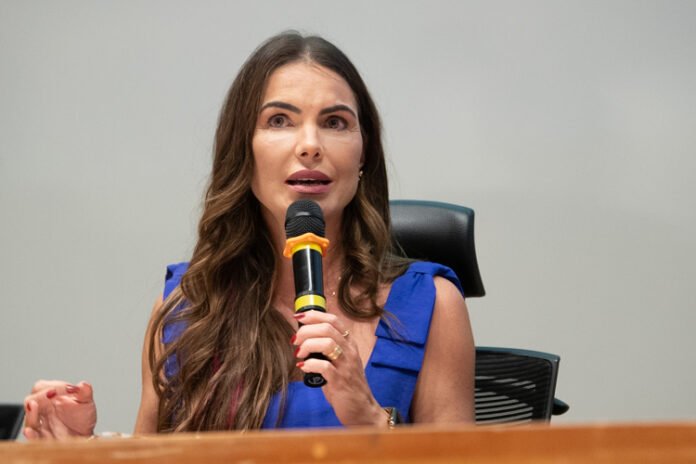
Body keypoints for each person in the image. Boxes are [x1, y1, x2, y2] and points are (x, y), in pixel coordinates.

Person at [22, 31, 475, 439]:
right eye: (279, 120)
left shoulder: (433, 305)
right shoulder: (186, 307)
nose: (310, 145)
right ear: (244, 151)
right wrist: (78, 450)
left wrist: (373, 422)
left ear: (363, 155)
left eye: (335, 122)